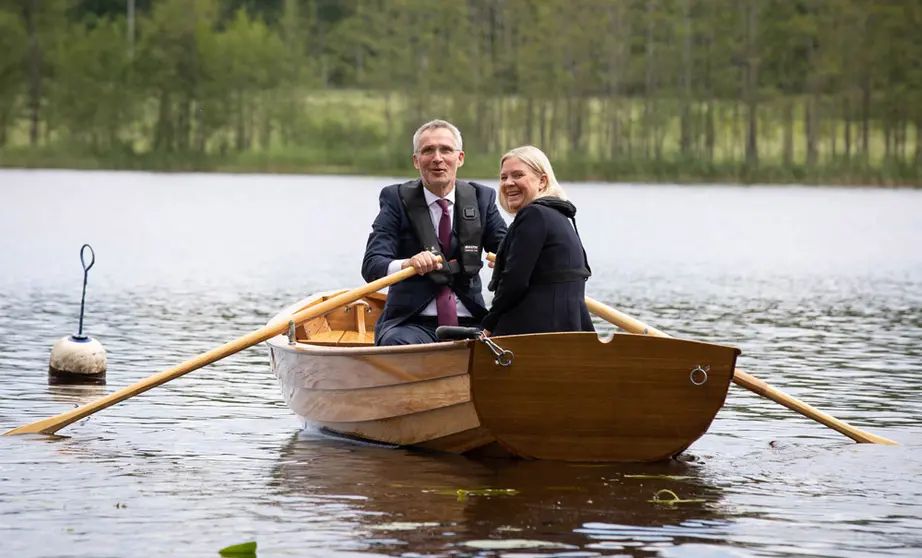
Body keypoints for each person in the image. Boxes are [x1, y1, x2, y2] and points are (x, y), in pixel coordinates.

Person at [362, 120, 508, 345]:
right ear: (416, 160)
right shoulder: (395, 200)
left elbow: (512, 251)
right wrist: (407, 263)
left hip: (472, 322)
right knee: (397, 344)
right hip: (411, 324)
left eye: (446, 150)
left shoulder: (482, 199)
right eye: (428, 150)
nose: (437, 158)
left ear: (460, 158)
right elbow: (372, 265)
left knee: (514, 339)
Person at [481, 145, 595, 337]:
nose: (508, 183)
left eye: (517, 175)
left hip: (538, 334)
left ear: (542, 181)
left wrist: (489, 326)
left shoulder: (533, 214)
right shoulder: (557, 215)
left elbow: (514, 282)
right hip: (568, 329)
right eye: (503, 177)